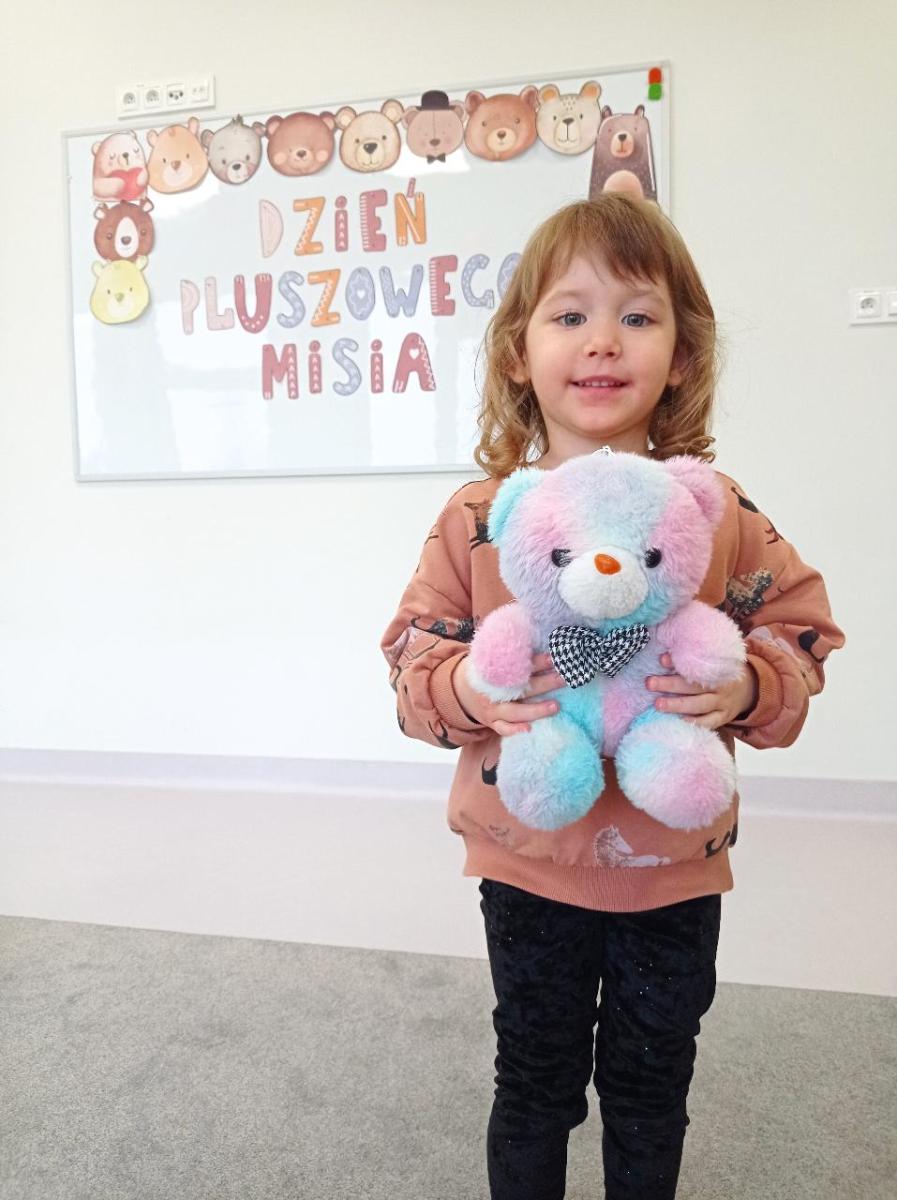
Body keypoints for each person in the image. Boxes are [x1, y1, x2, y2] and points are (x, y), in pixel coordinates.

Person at [380, 194, 844, 1200]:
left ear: (681, 356)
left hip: (673, 866)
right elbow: (411, 659)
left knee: (649, 1086)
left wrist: (748, 685)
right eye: (570, 315)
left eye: (637, 316)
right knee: (534, 1079)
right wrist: (468, 687)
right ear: (518, 352)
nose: (602, 341)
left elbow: (802, 627)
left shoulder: (712, 513)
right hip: (527, 858)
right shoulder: (479, 516)